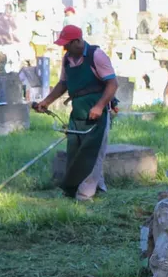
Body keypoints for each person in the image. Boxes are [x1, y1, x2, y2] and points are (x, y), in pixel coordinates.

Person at [33, 25, 119, 202]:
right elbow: (63, 84)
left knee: (92, 151)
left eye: (67, 44)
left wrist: (99, 106)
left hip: (97, 111)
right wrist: (46, 102)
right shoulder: (67, 59)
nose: (64, 48)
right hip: (78, 111)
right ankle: (98, 187)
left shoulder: (96, 56)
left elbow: (112, 84)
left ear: (78, 41)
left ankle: (84, 194)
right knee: (75, 150)